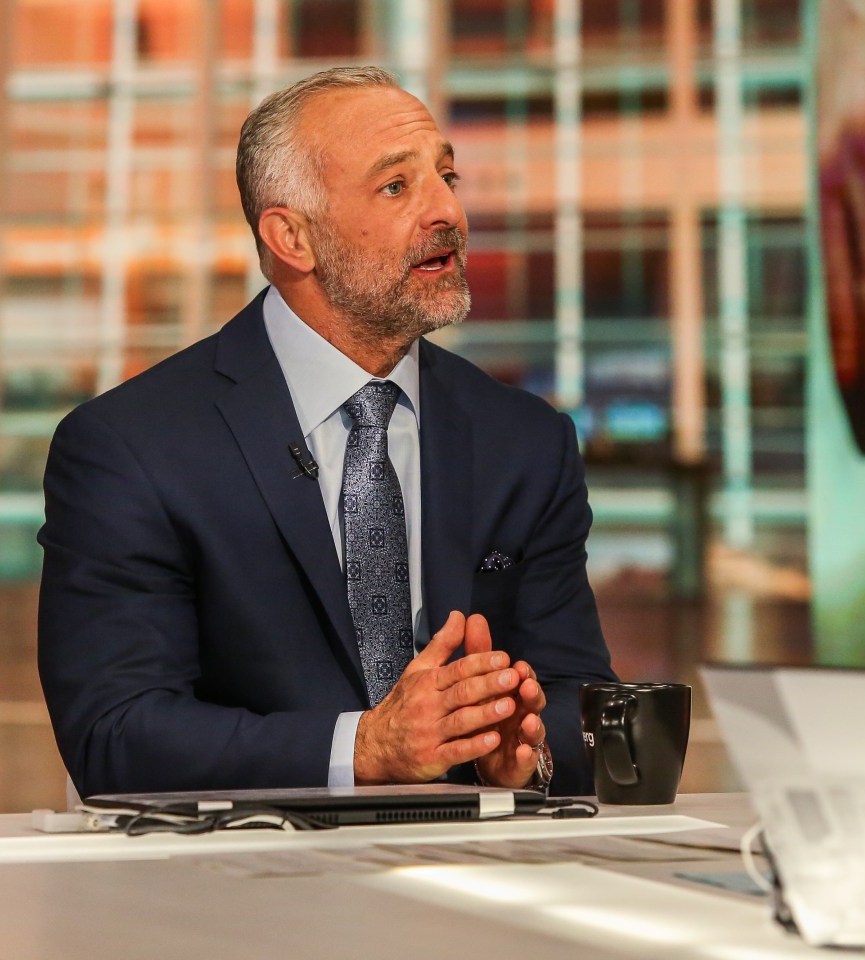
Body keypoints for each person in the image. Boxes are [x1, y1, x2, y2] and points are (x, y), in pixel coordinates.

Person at [38, 66, 616, 799]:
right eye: (396, 186)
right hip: (237, 863)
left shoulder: (525, 441)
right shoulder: (131, 447)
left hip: (470, 858)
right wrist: (365, 749)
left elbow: (584, 707)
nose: (448, 211)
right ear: (293, 237)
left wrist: (523, 752)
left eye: (447, 176)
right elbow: (115, 734)